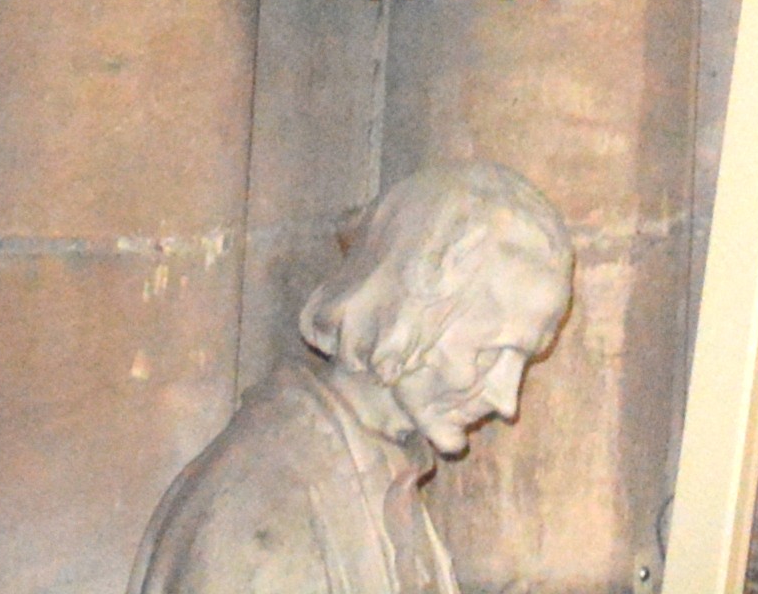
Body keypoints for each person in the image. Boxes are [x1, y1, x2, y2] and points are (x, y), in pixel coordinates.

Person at [129, 162, 577, 594]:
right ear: (410, 309)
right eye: (490, 353)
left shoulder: (378, 480)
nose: (506, 400)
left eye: (524, 360)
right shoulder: (265, 502)